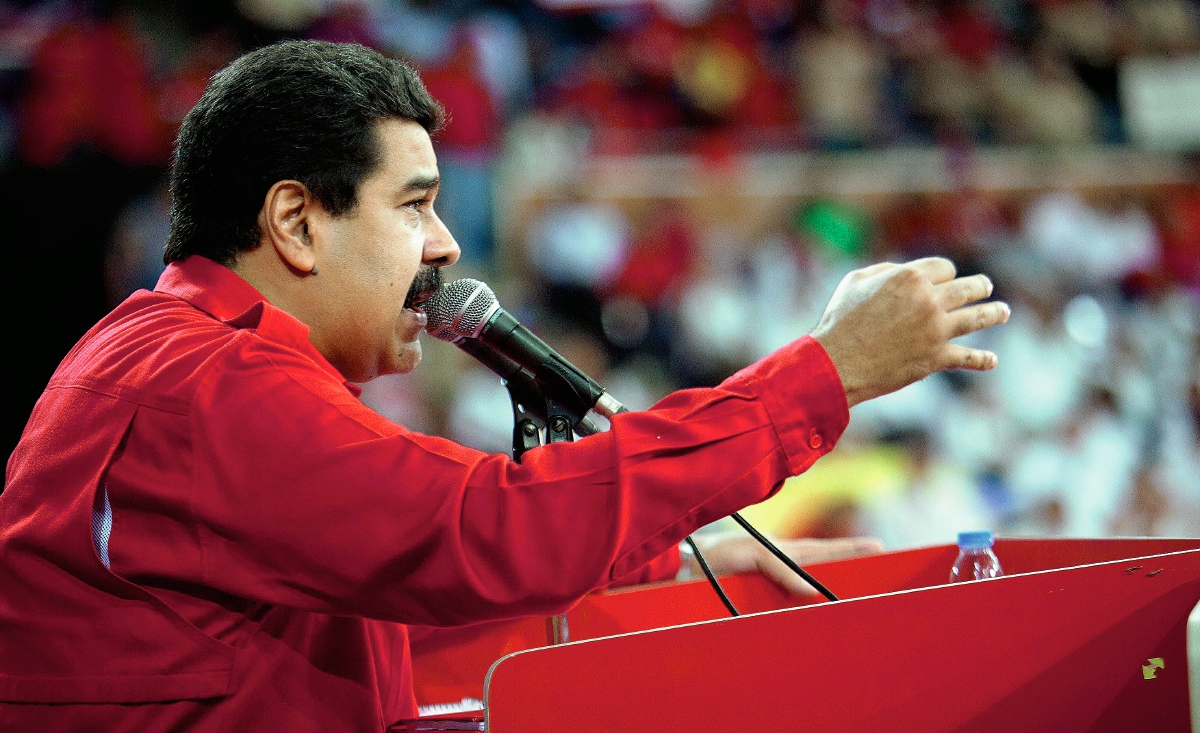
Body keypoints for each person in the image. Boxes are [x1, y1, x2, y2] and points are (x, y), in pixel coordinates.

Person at [0, 40, 1010, 732]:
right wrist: (822, 375)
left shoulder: (174, 351)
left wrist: (672, 562)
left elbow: (392, 591)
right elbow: (477, 535)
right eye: (416, 205)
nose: (444, 246)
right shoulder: (206, 380)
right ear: (298, 223)